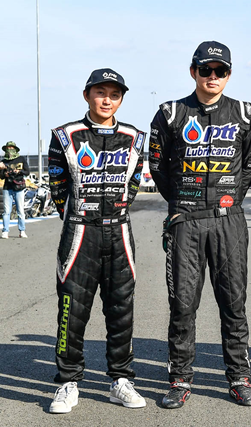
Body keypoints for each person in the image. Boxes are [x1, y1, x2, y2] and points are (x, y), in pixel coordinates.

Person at [149, 41, 251, 409]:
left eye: (220, 70)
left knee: (234, 302)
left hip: (229, 221)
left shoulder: (244, 113)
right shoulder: (170, 113)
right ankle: (180, 378)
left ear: (228, 74)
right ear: (193, 71)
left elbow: (250, 165)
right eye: (206, 69)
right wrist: (181, 201)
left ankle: (239, 377)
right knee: (182, 304)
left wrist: (228, 200)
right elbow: (157, 167)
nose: (213, 76)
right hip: (186, 221)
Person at [47, 68, 146, 413]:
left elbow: (133, 184)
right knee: (71, 310)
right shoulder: (65, 135)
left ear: (121, 99)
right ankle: (68, 382)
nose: (107, 100)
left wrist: (113, 212)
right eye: (100, 93)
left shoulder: (135, 137)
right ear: (87, 95)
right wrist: (81, 217)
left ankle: (121, 380)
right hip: (79, 233)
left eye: (114, 95)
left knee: (121, 310)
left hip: (119, 231)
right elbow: (58, 188)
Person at [1, 141, 30, 239]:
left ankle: (22, 230)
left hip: (19, 187)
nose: (10, 150)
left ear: (15, 149)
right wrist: (4, 173)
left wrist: (19, 171)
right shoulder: (3, 161)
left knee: (20, 210)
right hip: (7, 188)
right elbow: (1, 176)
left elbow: (27, 171)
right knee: (6, 211)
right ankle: (5, 231)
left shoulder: (21, 159)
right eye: (8, 148)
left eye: (11, 148)